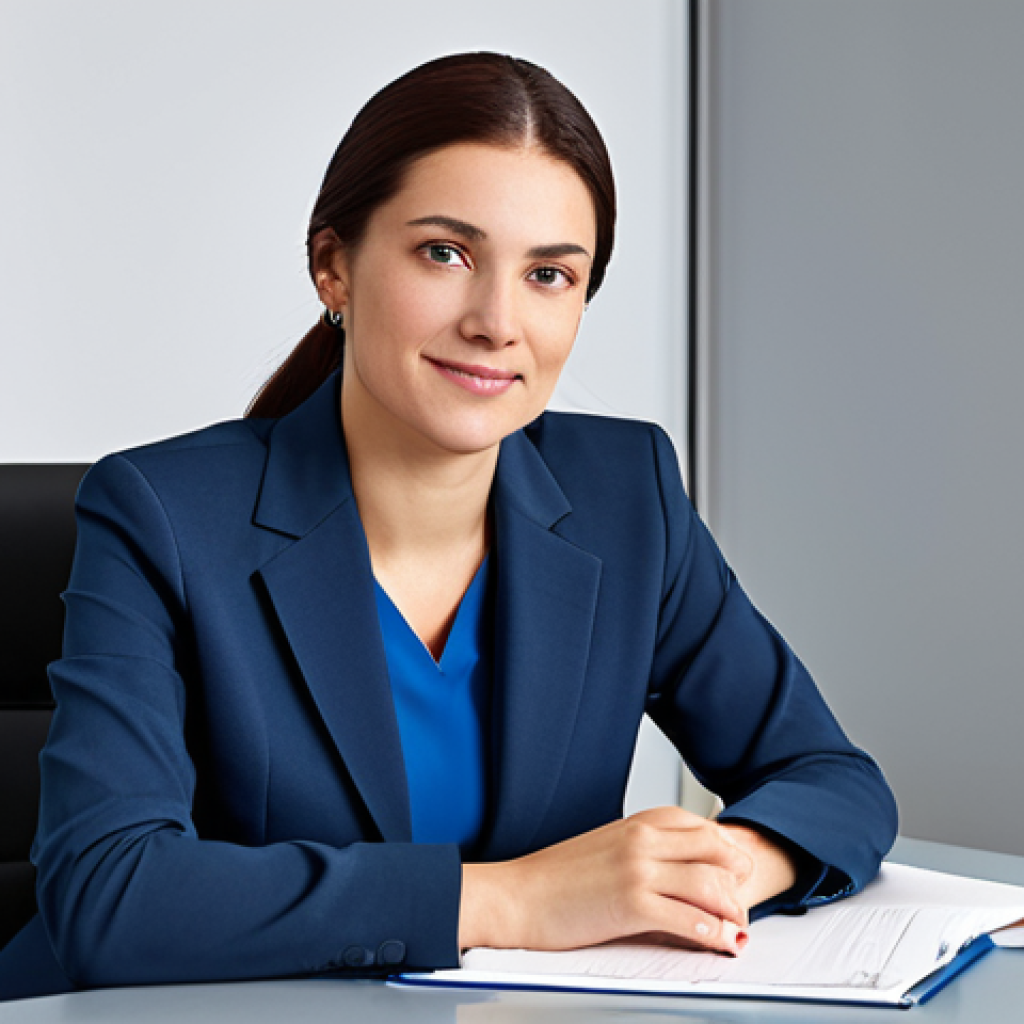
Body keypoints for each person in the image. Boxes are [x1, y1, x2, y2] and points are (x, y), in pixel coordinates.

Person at [0, 52, 897, 1002]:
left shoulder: (625, 497)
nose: (496, 322)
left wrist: (720, 872)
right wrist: (515, 900)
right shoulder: (161, 514)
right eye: (446, 254)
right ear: (334, 266)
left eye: (549, 274)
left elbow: (830, 779)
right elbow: (111, 897)